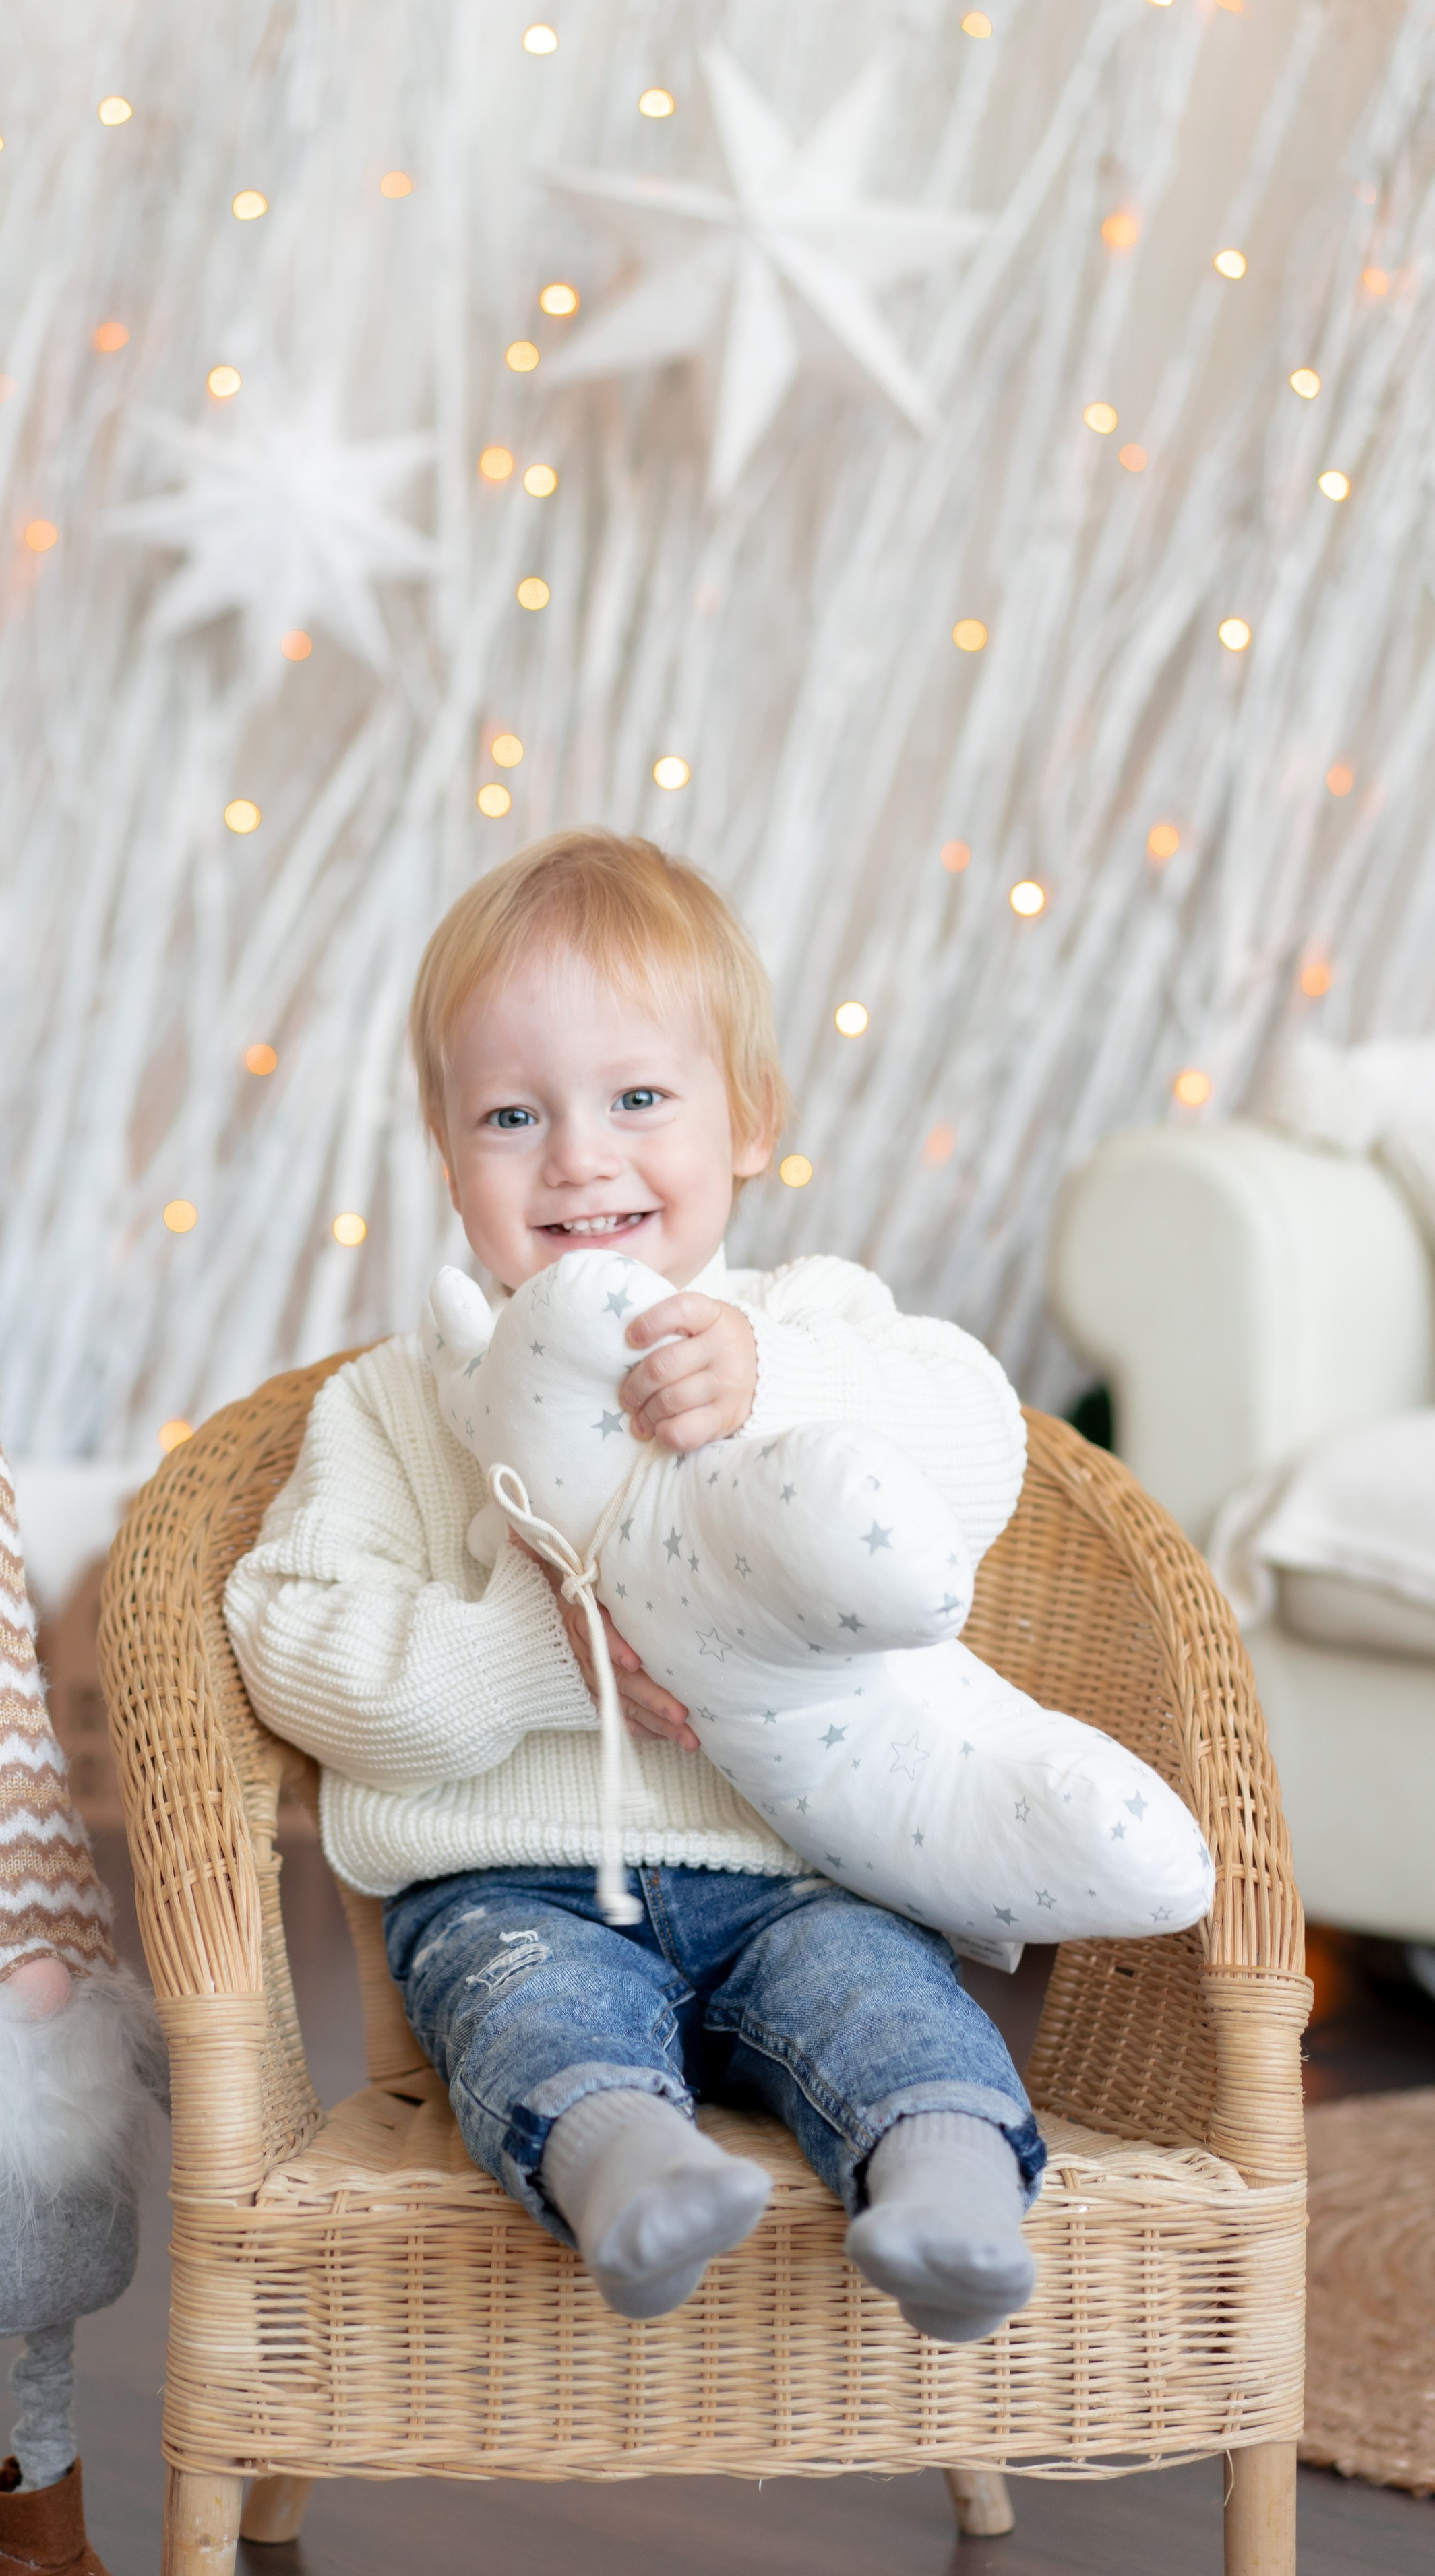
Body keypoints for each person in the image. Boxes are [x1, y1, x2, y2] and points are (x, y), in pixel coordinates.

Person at [226, 829, 1044, 2343]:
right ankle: (629, 2175)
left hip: (801, 1875)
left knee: (881, 1999)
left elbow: (978, 1448)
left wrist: (781, 1382)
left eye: (639, 1100)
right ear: (443, 1143)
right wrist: (539, 1655)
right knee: (529, 2012)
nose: (578, 1158)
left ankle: (942, 2188)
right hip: (511, 1881)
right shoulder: (400, 1404)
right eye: (512, 1114)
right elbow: (294, 1643)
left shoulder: (807, 1327)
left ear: (750, 1121)